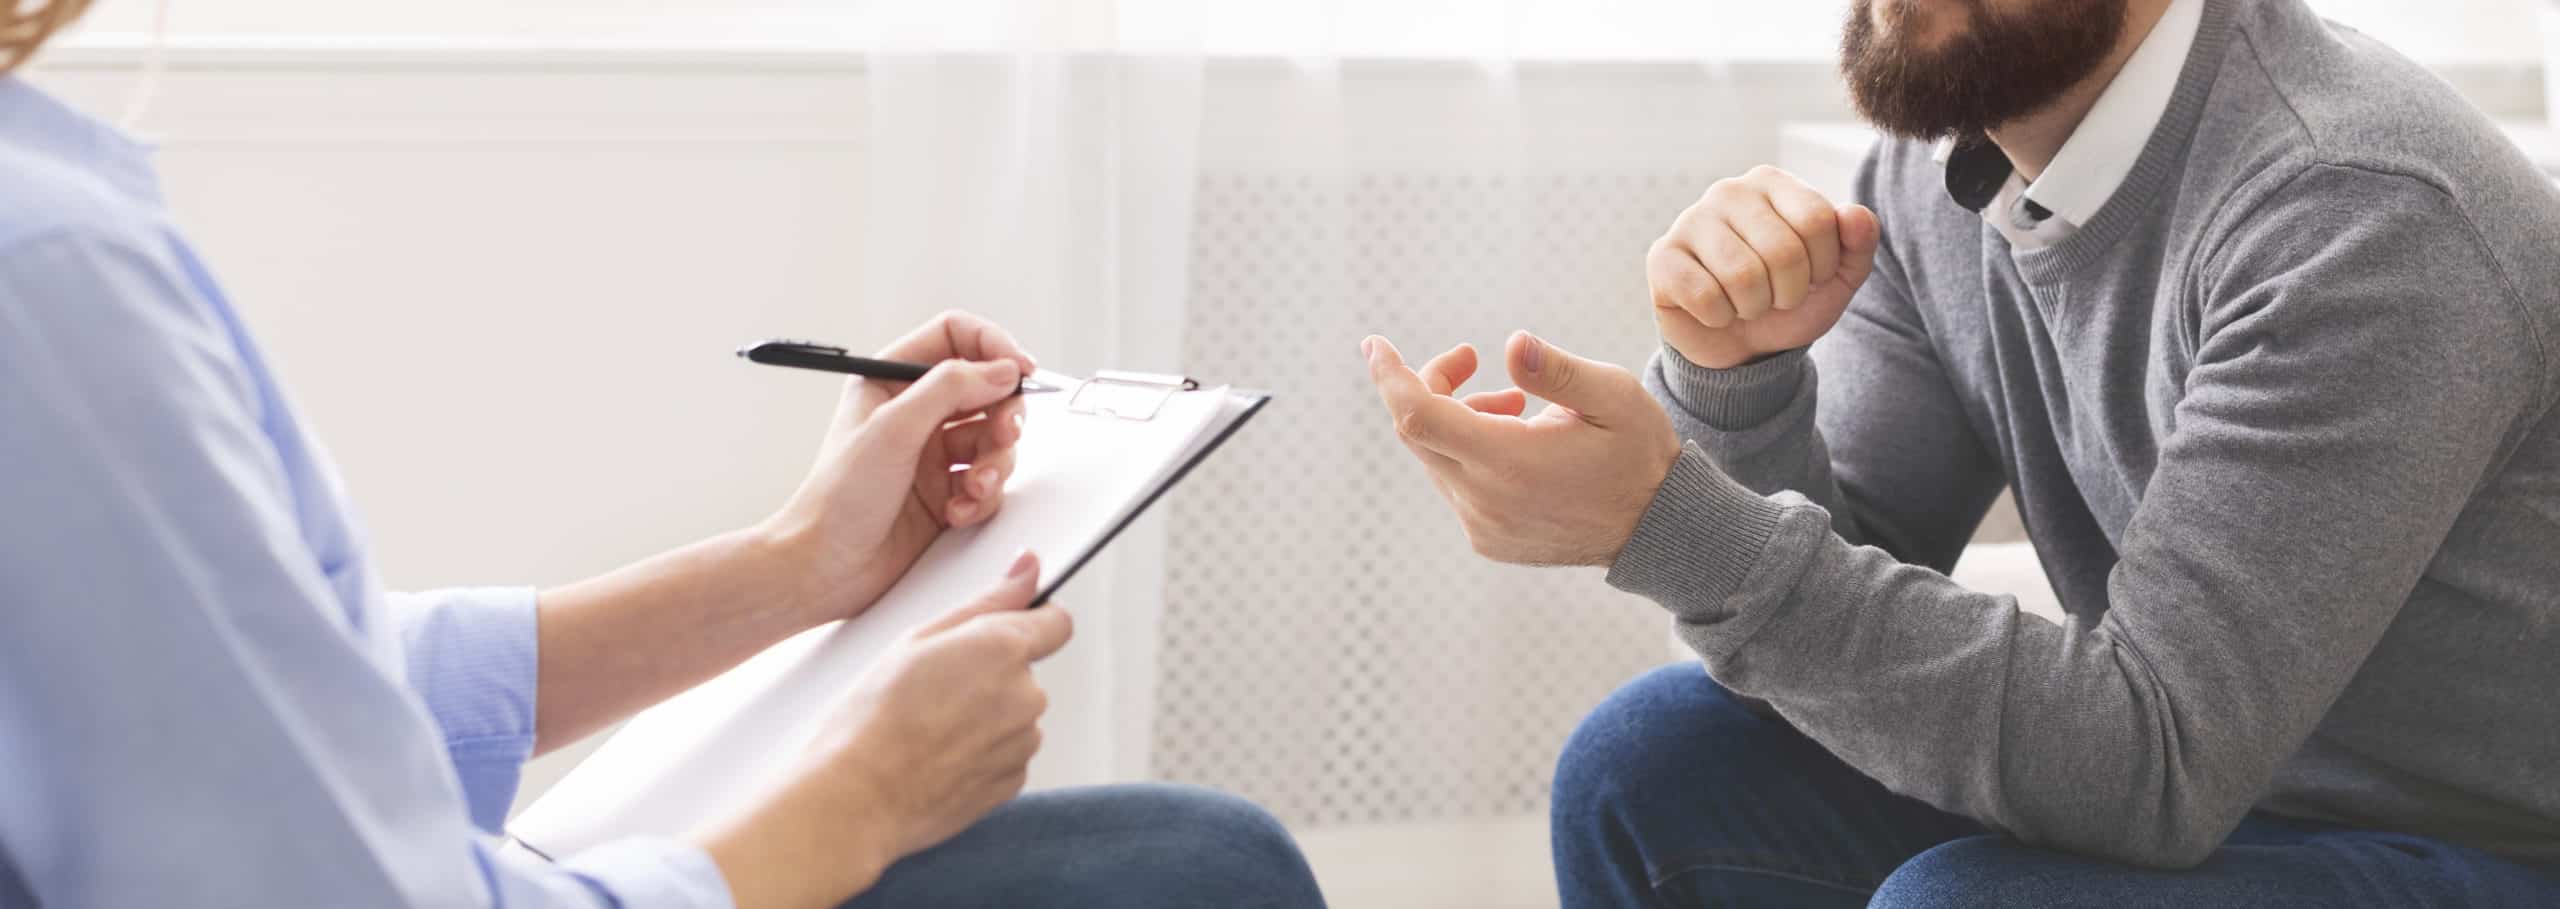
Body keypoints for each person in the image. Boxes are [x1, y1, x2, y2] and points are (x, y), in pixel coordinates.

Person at [0, 4, 1325, 908]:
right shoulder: (46, 273)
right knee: (1198, 867)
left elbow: (230, 692)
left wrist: (793, 571)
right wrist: (861, 796)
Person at [1358, 0, 2560, 905]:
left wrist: (1665, 523)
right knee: (1649, 763)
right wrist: (1737, 385)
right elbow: (1838, 599)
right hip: (2228, 790)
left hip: (2483, 843)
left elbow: (2152, 762)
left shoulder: (2354, 209)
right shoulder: (1933, 184)